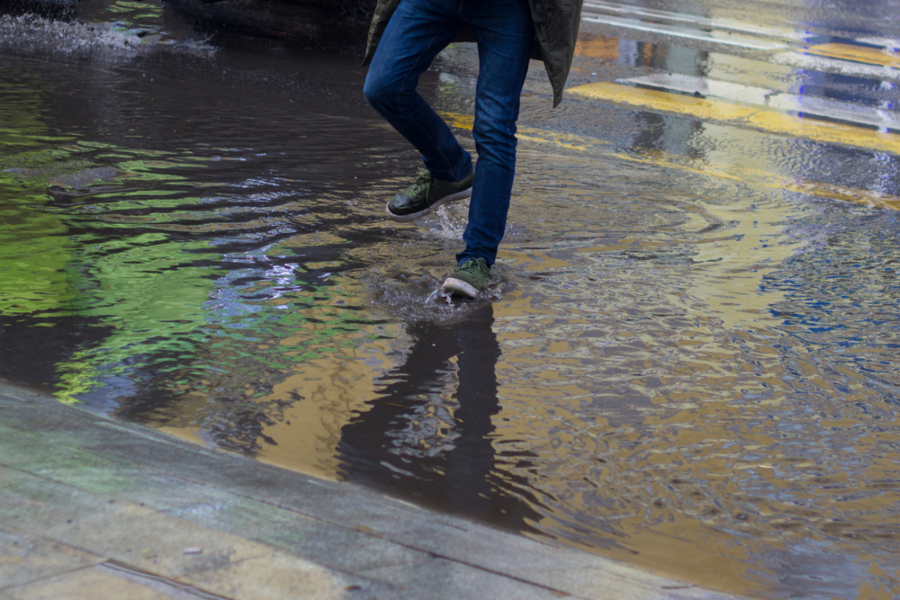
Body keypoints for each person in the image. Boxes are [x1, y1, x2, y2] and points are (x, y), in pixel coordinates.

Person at [362, 0, 584, 298]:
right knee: (384, 87)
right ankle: (450, 169)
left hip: (507, 7)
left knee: (495, 127)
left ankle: (477, 257)